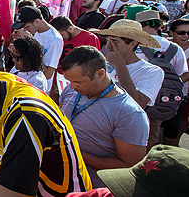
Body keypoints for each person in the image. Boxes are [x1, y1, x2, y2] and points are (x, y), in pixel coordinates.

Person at [59, 46, 148, 188]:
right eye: (69, 81)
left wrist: (70, 151)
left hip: (92, 190)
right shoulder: (72, 90)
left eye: (79, 82)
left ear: (101, 74)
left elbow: (129, 166)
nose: (72, 86)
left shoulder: (129, 114)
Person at [134, 10, 188, 149]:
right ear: (159, 26)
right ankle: (146, 162)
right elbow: (182, 74)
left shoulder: (133, 45)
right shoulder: (175, 48)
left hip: (136, 94)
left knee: (132, 130)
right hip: (162, 98)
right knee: (153, 133)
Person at [90, 19, 163, 110]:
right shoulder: (101, 64)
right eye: (108, 41)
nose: (108, 46)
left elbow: (138, 103)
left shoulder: (152, 71)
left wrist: (120, 67)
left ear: (133, 43)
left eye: (114, 41)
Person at [12, 6, 64, 90]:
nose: (25, 30)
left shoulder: (54, 39)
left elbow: (48, 74)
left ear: (36, 21)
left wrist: (31, 44)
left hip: (37, 87)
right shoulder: (34, 31)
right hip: (23, 80)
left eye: (27, 27)